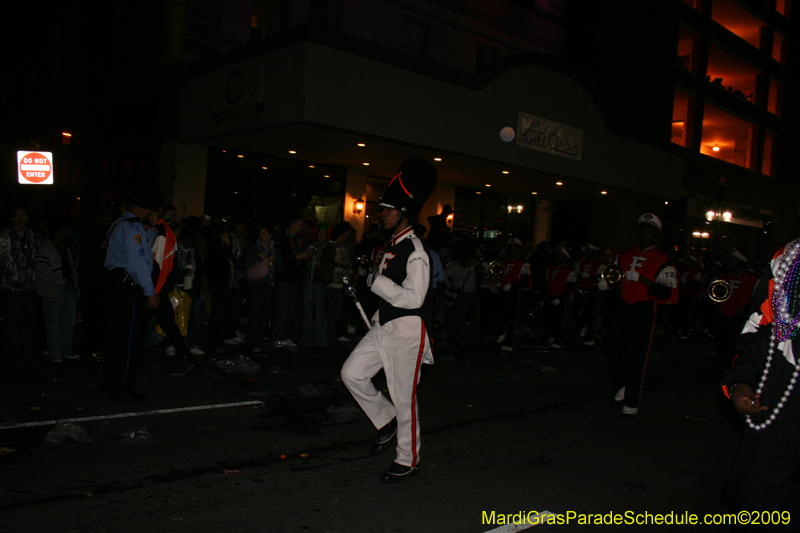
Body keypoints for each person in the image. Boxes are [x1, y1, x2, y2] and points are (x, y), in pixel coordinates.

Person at [340, 156, 437, 482]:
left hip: (407, 330)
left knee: (402, 395)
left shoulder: (417, 251)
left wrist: (377, 282)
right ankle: (386, 419)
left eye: (387, 210)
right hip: (385, 324)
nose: (381, 214)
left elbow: (414, 298)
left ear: (403, 214)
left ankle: (408, 458)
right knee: (351, 373)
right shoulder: (391, 246)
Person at [720, 238, 800, 530]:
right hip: (780, 414)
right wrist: (741, 381)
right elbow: (758, 328)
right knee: (758, 510)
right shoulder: (789, 259)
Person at [603, 213, 677, 416]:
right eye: (643, 230)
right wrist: (607, 283)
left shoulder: (663, 259)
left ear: (656, 234)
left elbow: (666, 291)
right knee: (612, 351)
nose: (645, 234)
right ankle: (622, 387)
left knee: (638, 357)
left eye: (650, 231)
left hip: (644, 308)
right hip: (624, 306)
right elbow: (616, 280)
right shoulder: (625, 255)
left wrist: (642, 279)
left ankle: (632, 402)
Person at [102, 191, 162, 401]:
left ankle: (110, 381)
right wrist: (150, 292)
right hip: (127, 288)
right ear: (145, 210)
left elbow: (143, 247)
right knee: (129, 340)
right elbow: (138, 264)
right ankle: (123, 387)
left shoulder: (123, 224)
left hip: (117, 286)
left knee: (117, 338)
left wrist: (152, 228)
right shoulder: (130, 228)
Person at [149, 206, 195, 376]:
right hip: (154, 288)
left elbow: (163, 266)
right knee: (165, 323)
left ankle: (184, 355)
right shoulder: (155, 230)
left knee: (167, 322)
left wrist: (154, 291)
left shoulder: (164, 233)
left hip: (155, 289)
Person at [34, 215, 80, 363]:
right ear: (58, 231)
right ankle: (54, 351)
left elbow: (74, 266)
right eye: (65, 230)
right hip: (53, 291)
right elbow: (41, 271)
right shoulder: (46, 248)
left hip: (68, 289)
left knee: (69, 320)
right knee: (53, 321)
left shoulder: (66, 248)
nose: (67, 233)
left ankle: (65, 350)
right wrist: (61, 281)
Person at [0, 207, 42, 361]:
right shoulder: (4, 237)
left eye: (23, 215)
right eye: (17, 215)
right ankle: (13, 349)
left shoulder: (34, 236)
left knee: (31, 319)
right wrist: (12, 276)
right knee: (10, 320)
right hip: (11, 287)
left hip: (30, 286)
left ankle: (30, 348)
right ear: (12, 218)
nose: (20, 219)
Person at [712, 248, 758, 372]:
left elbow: (756, 301)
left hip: (738, 318)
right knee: (720, 344)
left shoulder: (751, 280)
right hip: (723, 314)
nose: (729, 262)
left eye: (732, 260)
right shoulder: (723, 277)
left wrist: (745, 308)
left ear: (739, 262)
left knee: (734, 345)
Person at [272, 215, 310, 348]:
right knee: (282, 309)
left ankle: (285, 336)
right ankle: (278, 337)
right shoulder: (284, 238)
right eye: (300, 224)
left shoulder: (298, 239)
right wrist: (299, 256)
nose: (302, 228)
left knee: (290, 310)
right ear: (293, 225)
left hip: (295, 278)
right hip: (285, 278)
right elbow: (285, 258)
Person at [498, 237, 531, 352]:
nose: (512, 250)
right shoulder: (504, 262)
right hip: (503, 292)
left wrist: (512, 285)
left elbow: (524, 282)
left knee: (511, 319)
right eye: (511, 248)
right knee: (498, 314)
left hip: (514, 293)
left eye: (515, 248)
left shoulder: (524, 264)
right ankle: (501, 333)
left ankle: (509, 342)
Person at [544, 245, 577, 349]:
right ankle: (552, 334)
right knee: (548, 318)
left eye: (559, 255)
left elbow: (569, 289)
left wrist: (560, 298)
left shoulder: (569, 271)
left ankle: (557, 339)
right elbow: (546, 285)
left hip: (560, 298)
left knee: (559, 320)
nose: (556, 257)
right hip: (550, 296)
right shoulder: (550, 269)